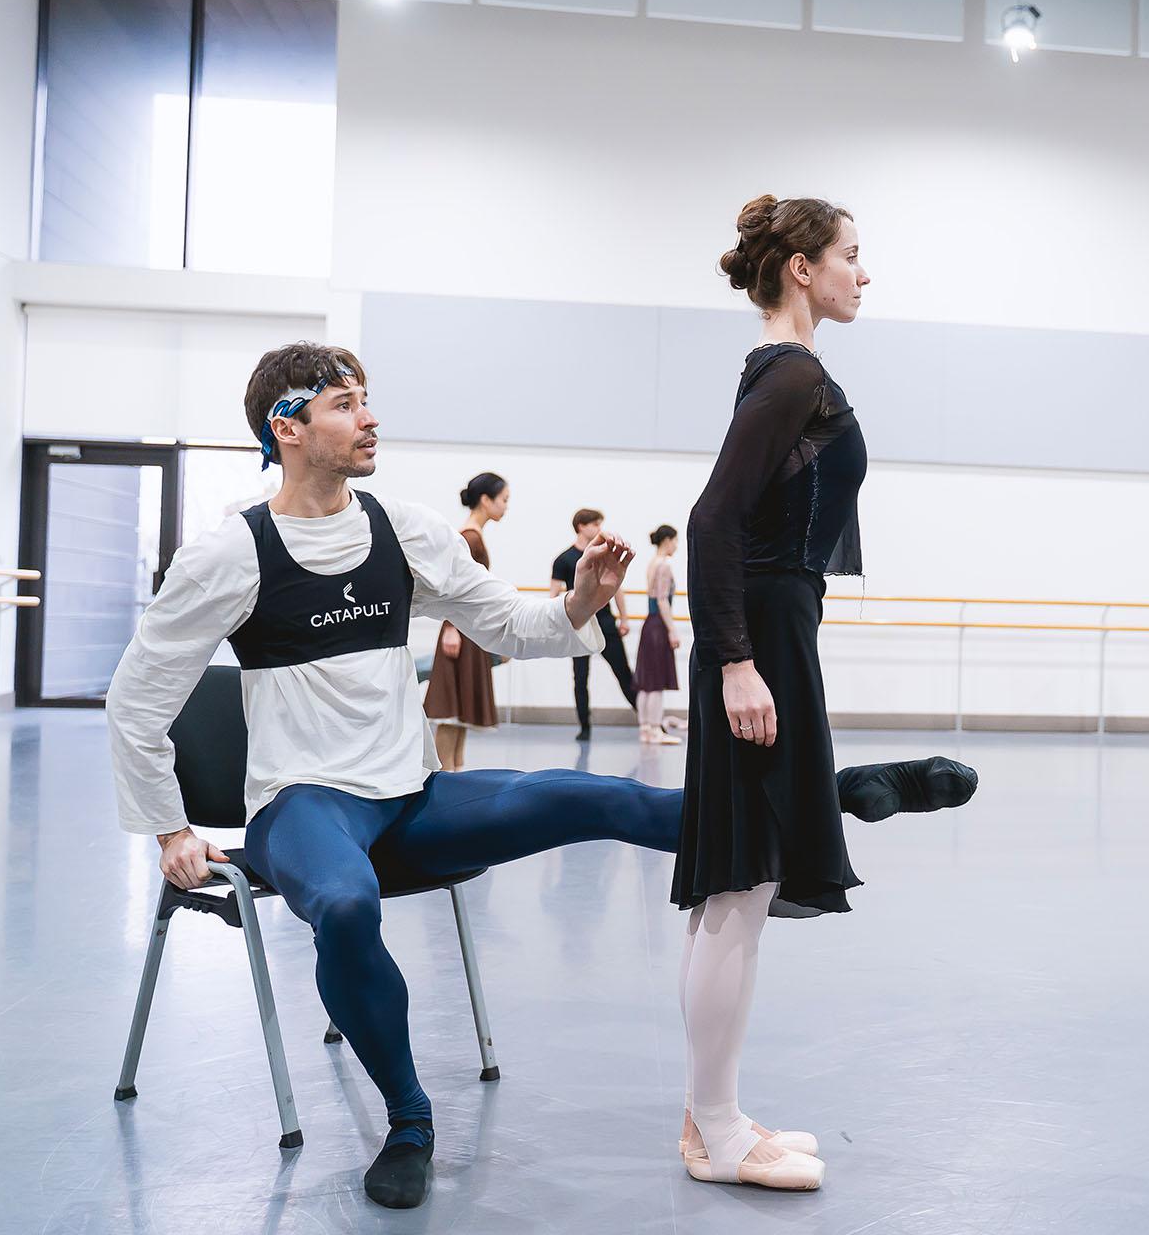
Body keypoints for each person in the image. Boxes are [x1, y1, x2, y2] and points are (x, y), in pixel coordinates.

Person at [106, 341, 966, 1211]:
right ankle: (410, 1121)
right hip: (305, 807)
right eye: (344, 405)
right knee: (345, 903)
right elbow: (138, 698)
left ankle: (834, 792)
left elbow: (508, 625)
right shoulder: (232, 554)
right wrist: (171, 827)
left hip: (411, 797)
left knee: (594, 796)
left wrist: (581, 601)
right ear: (286, 429)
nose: (369, 418)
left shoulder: (402, 530)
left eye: (366, 398)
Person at [670, 195, 979, 1193]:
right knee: (739, 884)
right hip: (760, 635)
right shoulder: (793, 373)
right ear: (802, 268)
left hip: (773, 629)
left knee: (739, 885)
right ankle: (717, 1129)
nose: (863, 272)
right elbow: (712, 520)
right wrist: (735, 661)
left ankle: (710, 1114)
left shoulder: (783, 370)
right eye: (851, 254)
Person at [423, 471, 508, 770]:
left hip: (468, 631)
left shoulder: (473, 535)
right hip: (459, 631)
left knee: (460, 714)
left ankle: (456, 771)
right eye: (503, 500)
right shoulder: (469, 537)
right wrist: (451, 629)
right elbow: (453, 587)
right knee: (451, 712)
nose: (506, 506)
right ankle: (444, 776)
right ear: (486, 500)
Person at [552, 509, 635, 739]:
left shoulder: (604, 555)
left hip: (605, 622)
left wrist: (624, 617)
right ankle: (584, 727)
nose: (599, 529)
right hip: (579, 625)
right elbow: (553, 595)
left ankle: (649, 722)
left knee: (624, 673)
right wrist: (557, 625)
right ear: (581, 526)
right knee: (580, 678)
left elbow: (616, 588)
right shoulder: (564, 559)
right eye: (595, 524)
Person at [636, 524, 684, 744]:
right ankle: (655, 729)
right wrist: (672, 630)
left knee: (647, 681)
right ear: (667, 540)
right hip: (658, 625)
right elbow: (662, 600)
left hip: (650, 624)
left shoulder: (652, 562)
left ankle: (645, 728)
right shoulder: (664, 565)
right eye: (675, 541)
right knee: (655, 681)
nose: (676, 546)